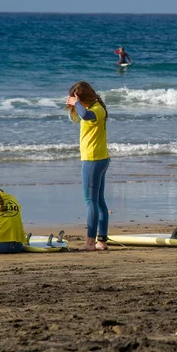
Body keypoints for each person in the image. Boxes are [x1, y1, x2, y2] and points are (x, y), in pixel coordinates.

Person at [66, 81, 111, 251]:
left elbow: (85, 116)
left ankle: (91, 242)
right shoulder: (95, 107)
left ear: (80, 97)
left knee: (91, 201)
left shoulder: (96, 110)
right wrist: (73, 105)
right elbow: (77, 117)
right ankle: (101, 241)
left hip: (93, 160)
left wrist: (76, 103)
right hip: (99, 158)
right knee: (98, 201)